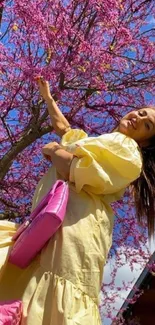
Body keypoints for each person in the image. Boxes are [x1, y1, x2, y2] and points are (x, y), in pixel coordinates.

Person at [0, 77, 155, 325]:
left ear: (145, 141)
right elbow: (64, 130)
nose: (138, 118)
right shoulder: (98, 142)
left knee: (53, 288)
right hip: (55, 221)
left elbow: (75, 167)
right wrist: (48, 98)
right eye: (140, 112)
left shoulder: (126, 148)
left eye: (147, 125)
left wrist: (52, 150)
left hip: (75, 225)